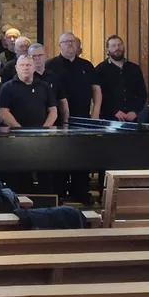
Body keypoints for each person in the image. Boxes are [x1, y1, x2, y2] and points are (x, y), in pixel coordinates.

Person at [46, 32, 100, 203]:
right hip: (58, 120)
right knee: (60, 156)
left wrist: (95, 113)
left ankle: (81, 192)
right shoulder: (51, 65)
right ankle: (60, 193)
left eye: (73, 42)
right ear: (59, 45)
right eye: (66, 42)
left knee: (81, 157)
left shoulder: (86, 65)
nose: (70, 44)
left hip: (83, 118)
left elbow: (96, 90)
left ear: (77, 45)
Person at [95, 35, 148, 122]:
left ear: (124, 47)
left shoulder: (135, 69)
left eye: (119, 45)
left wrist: (135, 111)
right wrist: (114, 111)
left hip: (133, 118)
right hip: (109, 119)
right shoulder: (99, 70)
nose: (117, 48)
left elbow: (142, 94)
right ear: (107, 50)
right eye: (113, 46)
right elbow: (97, 96)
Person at [0, 55, 58, 128]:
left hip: (41, 132)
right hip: (15, 133)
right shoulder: (7, 87)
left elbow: (53, 110)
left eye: (28, 65)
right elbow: (3, 112)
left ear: (34, 68)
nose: (25, 68)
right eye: (22, 65)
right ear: (16, 68)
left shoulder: (45, 86)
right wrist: (19, 130)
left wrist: (45, 129)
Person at [29, 42, 69, 125]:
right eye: (34, 56)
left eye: (40, 55)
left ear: (45, 56)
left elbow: (62, 101)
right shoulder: (26, 78)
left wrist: (65, 121)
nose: (37, 58)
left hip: (54, 122)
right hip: (30, 123)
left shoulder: (54, 77)